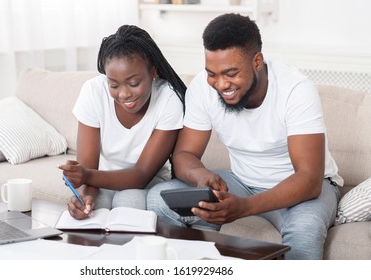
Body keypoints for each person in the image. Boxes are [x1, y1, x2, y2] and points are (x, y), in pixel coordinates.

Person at [147, 13, 343, 260]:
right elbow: (185, 154)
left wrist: (244, 208)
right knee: (158, 200)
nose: (220, 84)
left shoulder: (295, 90)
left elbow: (308, 179)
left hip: (302, 189)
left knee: (304, 230)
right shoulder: (201, 88)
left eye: (231, 73)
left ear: (257, 61)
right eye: (212, 73)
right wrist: (201, 175)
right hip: (242, 181)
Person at [59, 25, 186, 220]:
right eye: (114, 85)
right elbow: (88, 166)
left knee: (129, 201)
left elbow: (141, 175)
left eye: (134, 83)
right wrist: (85, 197)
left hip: (147, 181)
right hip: (100, 179)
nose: (124, 94)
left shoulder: (169, 99)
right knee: (91, 212)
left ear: (153, 72)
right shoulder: (93, 92)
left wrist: (86, 175)